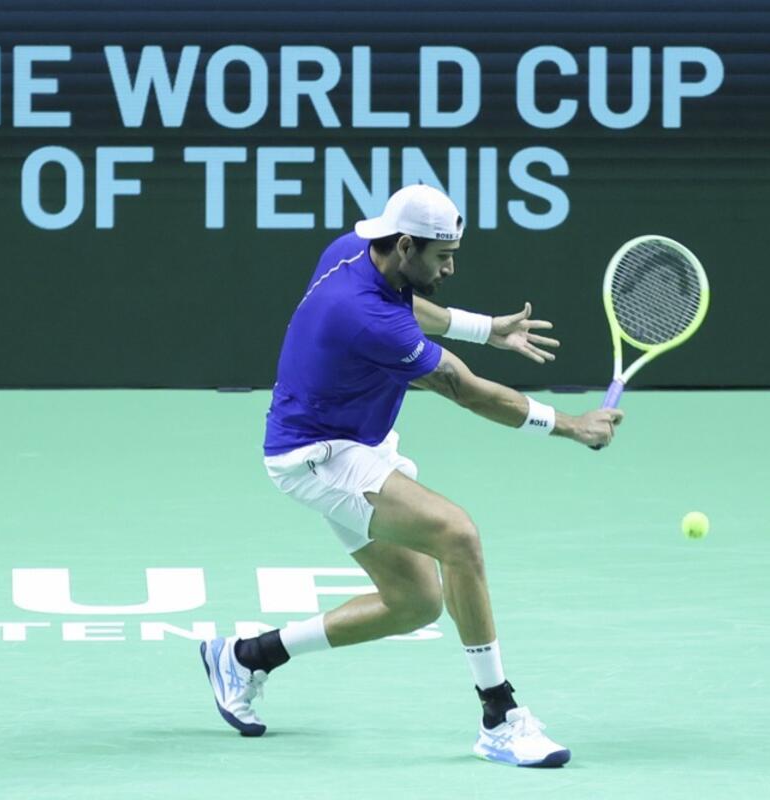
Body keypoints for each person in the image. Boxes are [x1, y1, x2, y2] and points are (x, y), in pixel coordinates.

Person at [199, 183, 623, 768]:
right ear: (405, 245)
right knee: (458, 534)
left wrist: (484, 328)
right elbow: (464, 389)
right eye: (442, 256)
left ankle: (247, 657)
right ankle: (500, 717)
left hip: (356, 436)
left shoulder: (354, 250)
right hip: (318, 456)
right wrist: (571, 425)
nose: (450, 268)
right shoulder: (367, 319)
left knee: (415, 602)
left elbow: (410, 306)